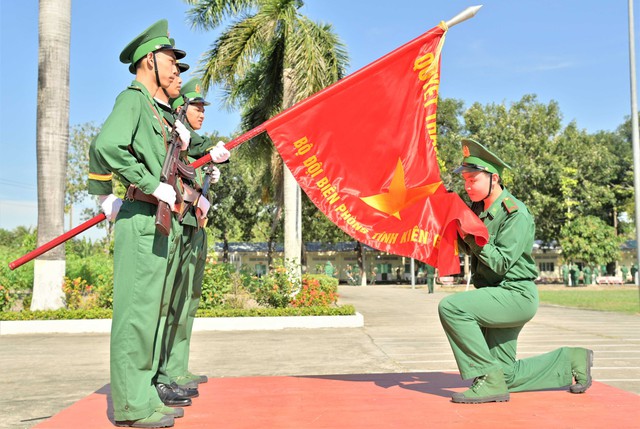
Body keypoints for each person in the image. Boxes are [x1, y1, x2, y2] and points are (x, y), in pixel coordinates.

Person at [438, 138, 593, 404]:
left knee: (452, 308)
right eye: (465, 180)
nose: (467, 186)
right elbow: (469, 250)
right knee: (505, 375)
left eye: (473, 179)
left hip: (515, 294)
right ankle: (571, 360)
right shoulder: (478, 210)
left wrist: (471, 236)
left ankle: (486, 379)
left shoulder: (516, 214)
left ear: (494, 178)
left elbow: (500, 263)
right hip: (494, 294)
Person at [90, 19, 189, 428]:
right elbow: (105, 145)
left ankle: (143, 392)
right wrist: (110, 194)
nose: (177, 71)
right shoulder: (132, 100)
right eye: (171, 62)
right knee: (135, 315)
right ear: (148, 59)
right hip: (142, 216)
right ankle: (131, 406)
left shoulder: (155, 109)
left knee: (153, 312)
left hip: (158, 217)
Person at [157, 77, 229, 392]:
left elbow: (195, 188)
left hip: (195, 228)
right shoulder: (173, 141)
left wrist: (207, 180)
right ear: (181, 108)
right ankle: (160, 373)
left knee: (187, 300)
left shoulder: (193, 146)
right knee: (167, 301)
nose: (201, 113)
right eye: (196, 107)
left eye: (202, 108)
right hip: (175, 226)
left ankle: (177, 366)